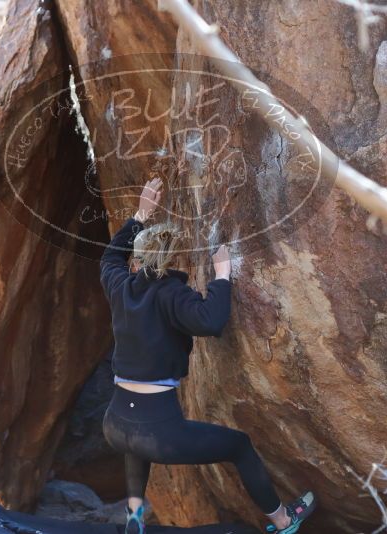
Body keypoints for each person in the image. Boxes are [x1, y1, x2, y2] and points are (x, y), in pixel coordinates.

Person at [99, 177, 316, 534]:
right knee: (239, 445)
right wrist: (222, 275)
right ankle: (282, 519)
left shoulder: (118, 284)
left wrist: (140, 214)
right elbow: (211, 320)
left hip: (116, 425)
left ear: (137, 258)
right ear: (171, 260)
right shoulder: (172, 295)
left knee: (135, 440)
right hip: (159, 433)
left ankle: (134, 516)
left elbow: (110, 255)